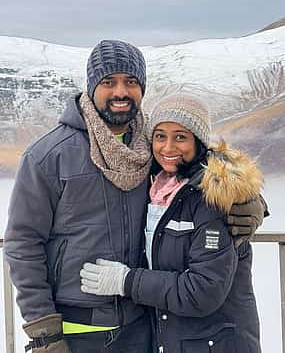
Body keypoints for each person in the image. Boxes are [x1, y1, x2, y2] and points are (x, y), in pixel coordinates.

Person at [4, 40, 265, 353]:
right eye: (108, 82)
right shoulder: (49, 156)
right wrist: (44, 334)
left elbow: (203, 175)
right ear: (90, 87)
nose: (120, 92)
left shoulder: (152, 147)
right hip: (77, 332)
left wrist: (248, 202)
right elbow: (23, 244)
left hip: (145, 326)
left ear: (142, 88)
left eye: (130, 82)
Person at [80, 90, 263, 352]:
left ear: (198, 142)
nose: (167, 148)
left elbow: (203, 291)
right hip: (178, 340)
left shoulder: (213, 198)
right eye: (160, 136)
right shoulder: (157, 188)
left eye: (180, 137)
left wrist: (127, 281)